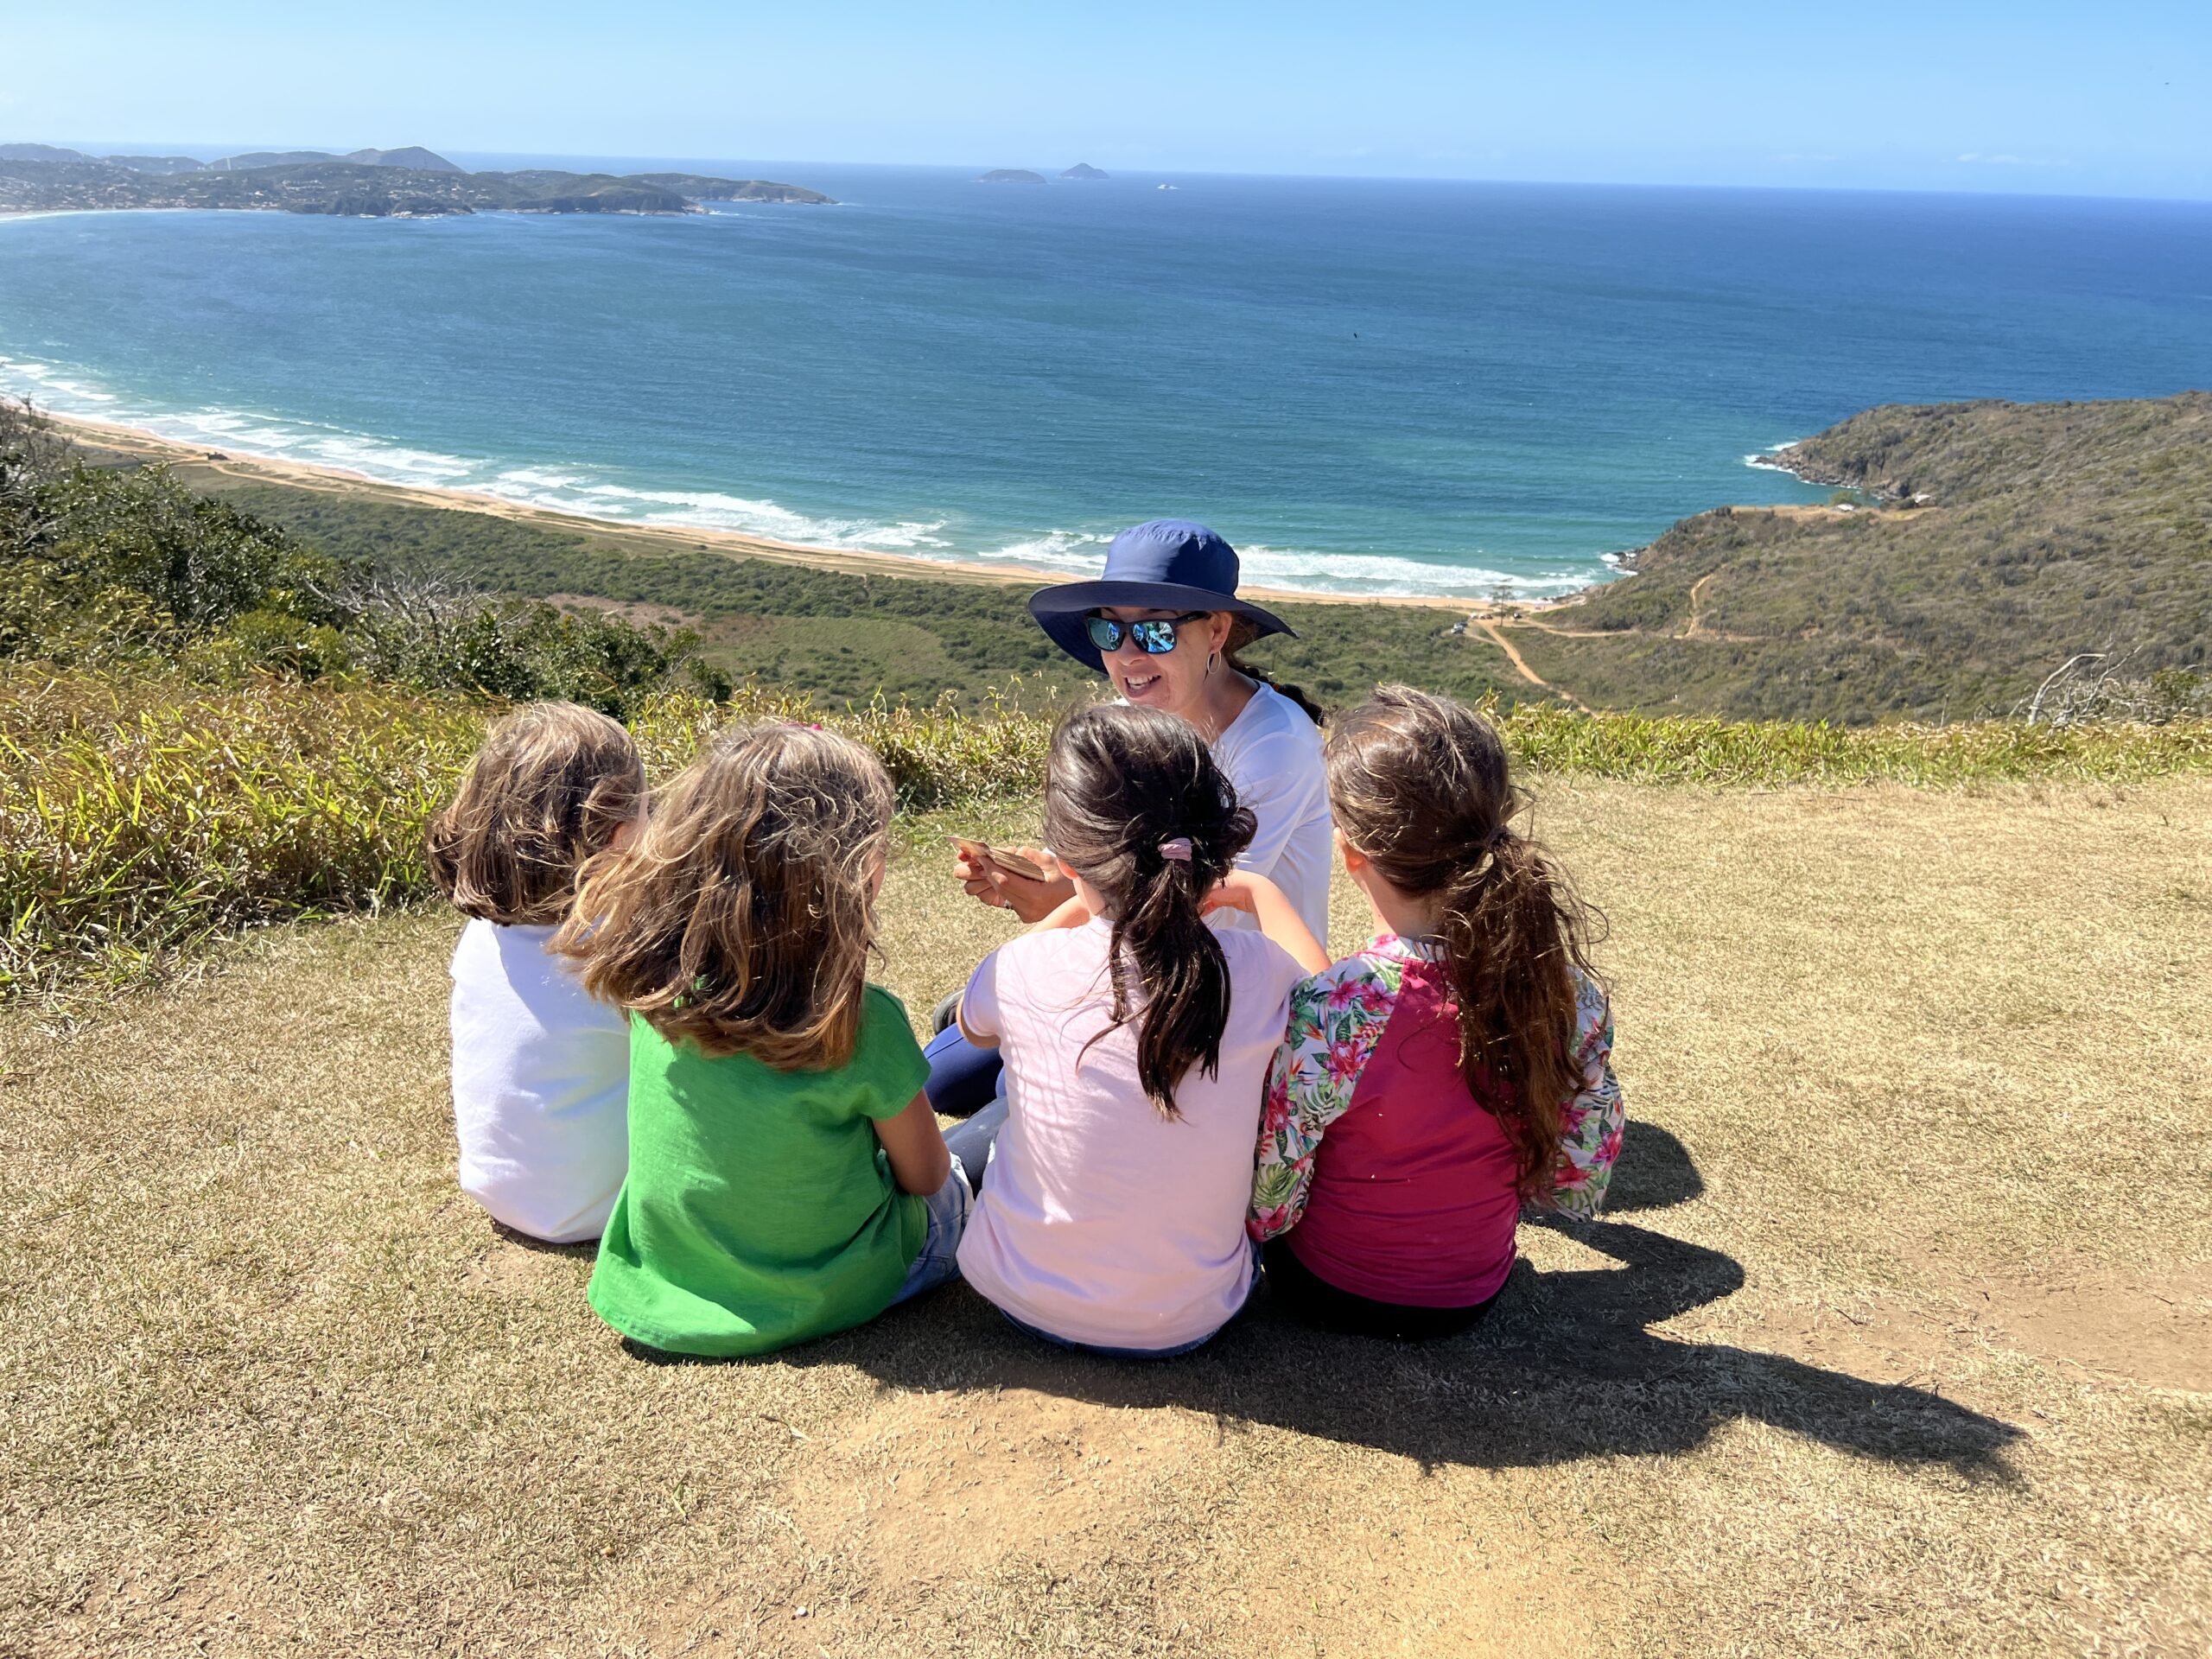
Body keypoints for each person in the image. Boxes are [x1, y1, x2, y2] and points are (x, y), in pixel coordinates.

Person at [551, 723, 969, 1357]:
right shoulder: (857, 1018)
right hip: (835, 1287)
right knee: (991, 1140)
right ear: (863, 873)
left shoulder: (651, 985)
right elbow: (927, 1176)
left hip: (674, 1282)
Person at [948, 704, 1330, 1357]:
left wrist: (1075, 898)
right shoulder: (1261, 972)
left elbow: (968, 1023)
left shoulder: (1020, 967)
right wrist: (1262, 894)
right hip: (1187, 1320)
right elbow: (1333, 1007)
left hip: (1013, 1292)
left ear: (1068, 859)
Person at [1249, 686, 1625, 1340]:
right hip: (1472, 1296)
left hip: (1326, 1287)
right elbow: (1578, 1176)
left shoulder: (1334, 1007)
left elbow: (1272, 1205)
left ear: (1350, 852)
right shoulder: (1564, 991)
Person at [928, 518, 1332, 1115]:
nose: (1127, 655)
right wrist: (1050, 881)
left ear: (1217, 630)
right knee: (940, 1080)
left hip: (1221, 990)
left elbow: (1195, 904)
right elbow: (1131, 872)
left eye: (1154, 632)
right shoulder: (1132, 722)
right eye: (1109, 630)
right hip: (1128, 954)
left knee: (1004, 1088)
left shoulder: (1275, 744)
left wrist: (1057, 918)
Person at [427, 702, 645, 1244]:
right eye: (647, 806)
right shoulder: (619, 949)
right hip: (608, 1204)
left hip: (497, 1189)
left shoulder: (483, 935)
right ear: (615, 833)